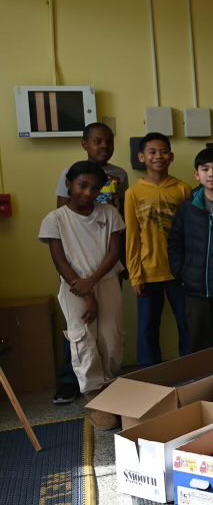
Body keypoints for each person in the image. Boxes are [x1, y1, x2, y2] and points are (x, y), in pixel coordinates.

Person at [39, 161, 125, 430]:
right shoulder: (55, 219)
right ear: (69, 185)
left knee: (111, 338)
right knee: (83, 340)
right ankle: (93, 394)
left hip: (106, 281)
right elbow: (59, 259)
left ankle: (112, 388)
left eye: (94, 188)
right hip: (73, 285)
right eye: (82, 186)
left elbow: (114, 252)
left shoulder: (109, 213)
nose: (88, 192)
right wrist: (84, 289)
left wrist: (94, 282)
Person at [52, 122, 128, 405]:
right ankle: (71, 381)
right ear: (85, 144)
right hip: (76, 264)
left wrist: (124, 259)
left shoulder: (120, 175)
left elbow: (124, 216)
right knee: (79, 325)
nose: (104, 147)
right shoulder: (70, 173)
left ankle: (110, 382)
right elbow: (64, 218)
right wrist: (72, 275)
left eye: (108, 142)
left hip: (107, 259)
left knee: (109, 326)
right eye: (97, 141)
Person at [125, 132, 191, 366]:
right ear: (141, 157)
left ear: (171, 156)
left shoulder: (182, 189)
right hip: (148, 272)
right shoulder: (133, 193)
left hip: (179, 272)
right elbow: (132, 237)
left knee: (186, 324)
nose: (158, 156)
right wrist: (135, 275)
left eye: (163, 151)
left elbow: (190, 233)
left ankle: (190, 369)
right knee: (147, 328)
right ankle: (149, 375)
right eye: (152, 152)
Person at [168, 147, 213, 352]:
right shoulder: (188, 207)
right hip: (194, 289)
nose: (211, 174)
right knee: (197, 344)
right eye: (205, 169)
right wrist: (181, 273)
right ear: (196, 174)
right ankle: (201, 384)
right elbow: (175, 241)